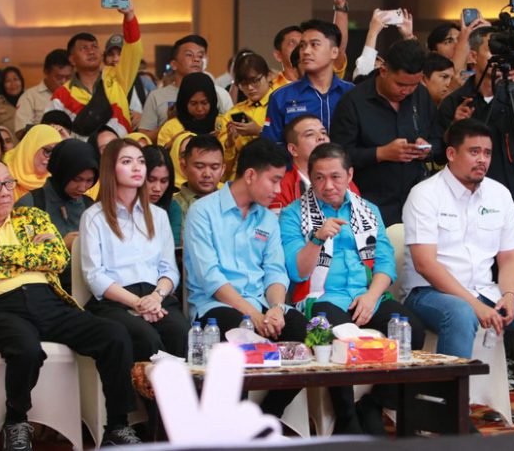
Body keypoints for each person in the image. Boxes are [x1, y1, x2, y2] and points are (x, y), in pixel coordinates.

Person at [0, 156, 141, 448]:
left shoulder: (31, 217)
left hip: (47, 301)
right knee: (26, 348)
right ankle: (16, 420)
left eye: (8, 183)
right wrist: (29, 256)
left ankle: (117, 426)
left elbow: (57, 258)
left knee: (114, 335)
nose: (6, 192)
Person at [402, 119, 514, 430]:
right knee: (460, 312)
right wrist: (474, 305)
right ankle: (451, 411)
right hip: (429, 293)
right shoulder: (424, 194)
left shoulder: (499, 194)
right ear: (451, 154)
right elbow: (425, 264)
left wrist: (508, 295)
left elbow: (509, 258)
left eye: (487, 153)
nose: (482, 159)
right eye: (474, 152)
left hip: (486, 289)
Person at [280, 143, 423, 434]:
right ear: (310, 178)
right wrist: (317, 239)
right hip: (319, 298)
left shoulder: (367, 210)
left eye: (335, 176)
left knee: (412, 330)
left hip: (365, 295)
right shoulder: (294, 214)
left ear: (350, 175)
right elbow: (297, 272)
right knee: (338, 337)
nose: (328, 185)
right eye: (319, 178)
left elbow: (385, 263)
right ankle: (347, 419)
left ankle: (374, 403)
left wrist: (371, 297)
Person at [184, 138, 304, 418]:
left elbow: (275, 270)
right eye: (274, 181)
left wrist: (276, 309)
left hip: (260, 304)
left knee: (300, 330)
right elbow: (210, 278)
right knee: (239, 330)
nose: (278, 190)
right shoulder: (203, 212)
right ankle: (231, 424)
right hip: (216, 307)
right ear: (250, 175)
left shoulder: (267, 219)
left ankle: (267, 417)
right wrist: (253, 315)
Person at [80, 138, 188, 362]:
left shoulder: (158, 215)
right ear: (111, 169)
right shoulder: (94, 216)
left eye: (141, 161)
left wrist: (155, 297)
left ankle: (179, 387)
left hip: (155, 295)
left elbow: (169, 269)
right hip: (114, 300)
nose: (137, 167)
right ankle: (143, 387)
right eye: (127, 162)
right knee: (146, 338)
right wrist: (137, 303)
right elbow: (94, 275)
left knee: (180, 332)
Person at [331, 39, 442, 226]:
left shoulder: (421, 96)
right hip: (370, 204)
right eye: (400, 84)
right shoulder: (353, 102)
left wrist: (427, 149)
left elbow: (439, 140)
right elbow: (338, 156)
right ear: (383, 71)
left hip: (417, 202)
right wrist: (381, 153)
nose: (406, 91)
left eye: (414, 84)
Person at [438, 26, 514, 208]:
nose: (500, 56)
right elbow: (441, 153)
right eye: (493, 49)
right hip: (468, 196)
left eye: (503, 50)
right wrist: (456, 125)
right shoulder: (457, 101)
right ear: (473, 56)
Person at [15, 139, 98, 292]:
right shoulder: (31, 204)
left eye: (89, 181)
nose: (82, 187)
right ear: (62, 172)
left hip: (88, 287)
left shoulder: (89, 205)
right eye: (77, 179)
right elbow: (19, 257)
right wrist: (61, 246)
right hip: (46, 289)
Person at [50, 1, 142, 138]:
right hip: (81, 152)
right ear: (72, 59)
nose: (91, 51)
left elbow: (133, 49)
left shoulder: (117, 76)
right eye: (84, 48)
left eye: (94, 47)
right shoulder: (61, 95)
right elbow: (52, 134)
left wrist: (129, 16)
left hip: (120, 149)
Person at [262, 19, 354, 144]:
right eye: (302, 46)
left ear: (334, 52)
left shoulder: (352, 94)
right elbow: (270, 147)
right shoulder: (281, 97)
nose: (306, 51)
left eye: (314, 44)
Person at [139, 35, 233, 141]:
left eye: (200, 56)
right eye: (189, 55)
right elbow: (143, 138)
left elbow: (229, 128)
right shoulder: (156, 96)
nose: (196, 59)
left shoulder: (220, 94)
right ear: (174, 64)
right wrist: (170, 124)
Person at [218, 53, 273, 179]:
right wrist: (230, 144)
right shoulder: (234, 112)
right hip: (239, 178)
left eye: (255, 81)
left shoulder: (280, 104)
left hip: (271, 174)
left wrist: (259, 131)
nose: (250, 88)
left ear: (268, 76)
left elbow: (291, 143)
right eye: (243, 83)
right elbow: (222, 168)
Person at [14, 49, 72, 132]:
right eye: (59, 77)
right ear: (46, 72)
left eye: (68, 77)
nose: (64, 82)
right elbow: (20, 130)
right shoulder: (29, 97)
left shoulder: (77, 95)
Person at [175, 134, 225, 229]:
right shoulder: (171, 206)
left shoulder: (233, 206)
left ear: (222, 169)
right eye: (199, 167)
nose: (207, 174)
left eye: (214, 167)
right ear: (184, 167)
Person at [352, 8, 416, 82]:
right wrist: (372, 32)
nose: (378, 68)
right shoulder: (363, 84)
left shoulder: (400, 85)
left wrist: (409, 36)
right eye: (374, 66)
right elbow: (363, 73)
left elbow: (415, 66)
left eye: (381, 65)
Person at [156, 73, 219, 148]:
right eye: (193, 103)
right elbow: (161, 154)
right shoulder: (170, 128)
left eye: (204, 103)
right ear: (184, 102)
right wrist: (172, 144)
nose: (199, 109)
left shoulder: (221, 125)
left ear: (212, 101)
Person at [3, 124, 62, 201]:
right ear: (31, 147)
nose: (51, 159)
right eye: (47, 151)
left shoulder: (55, 182)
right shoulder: (2, 176)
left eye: (55, 154)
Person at [143, 144, 183, 246]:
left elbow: (173, 247)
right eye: (151, 180)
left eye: (164, 181)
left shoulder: (172, 208)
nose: (157, 188)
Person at [0, 67, 24, 134]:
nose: (13, 84)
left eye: (15, 79)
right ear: (2, 84)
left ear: (21, 81)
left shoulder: (30, 102)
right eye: (8, 81)